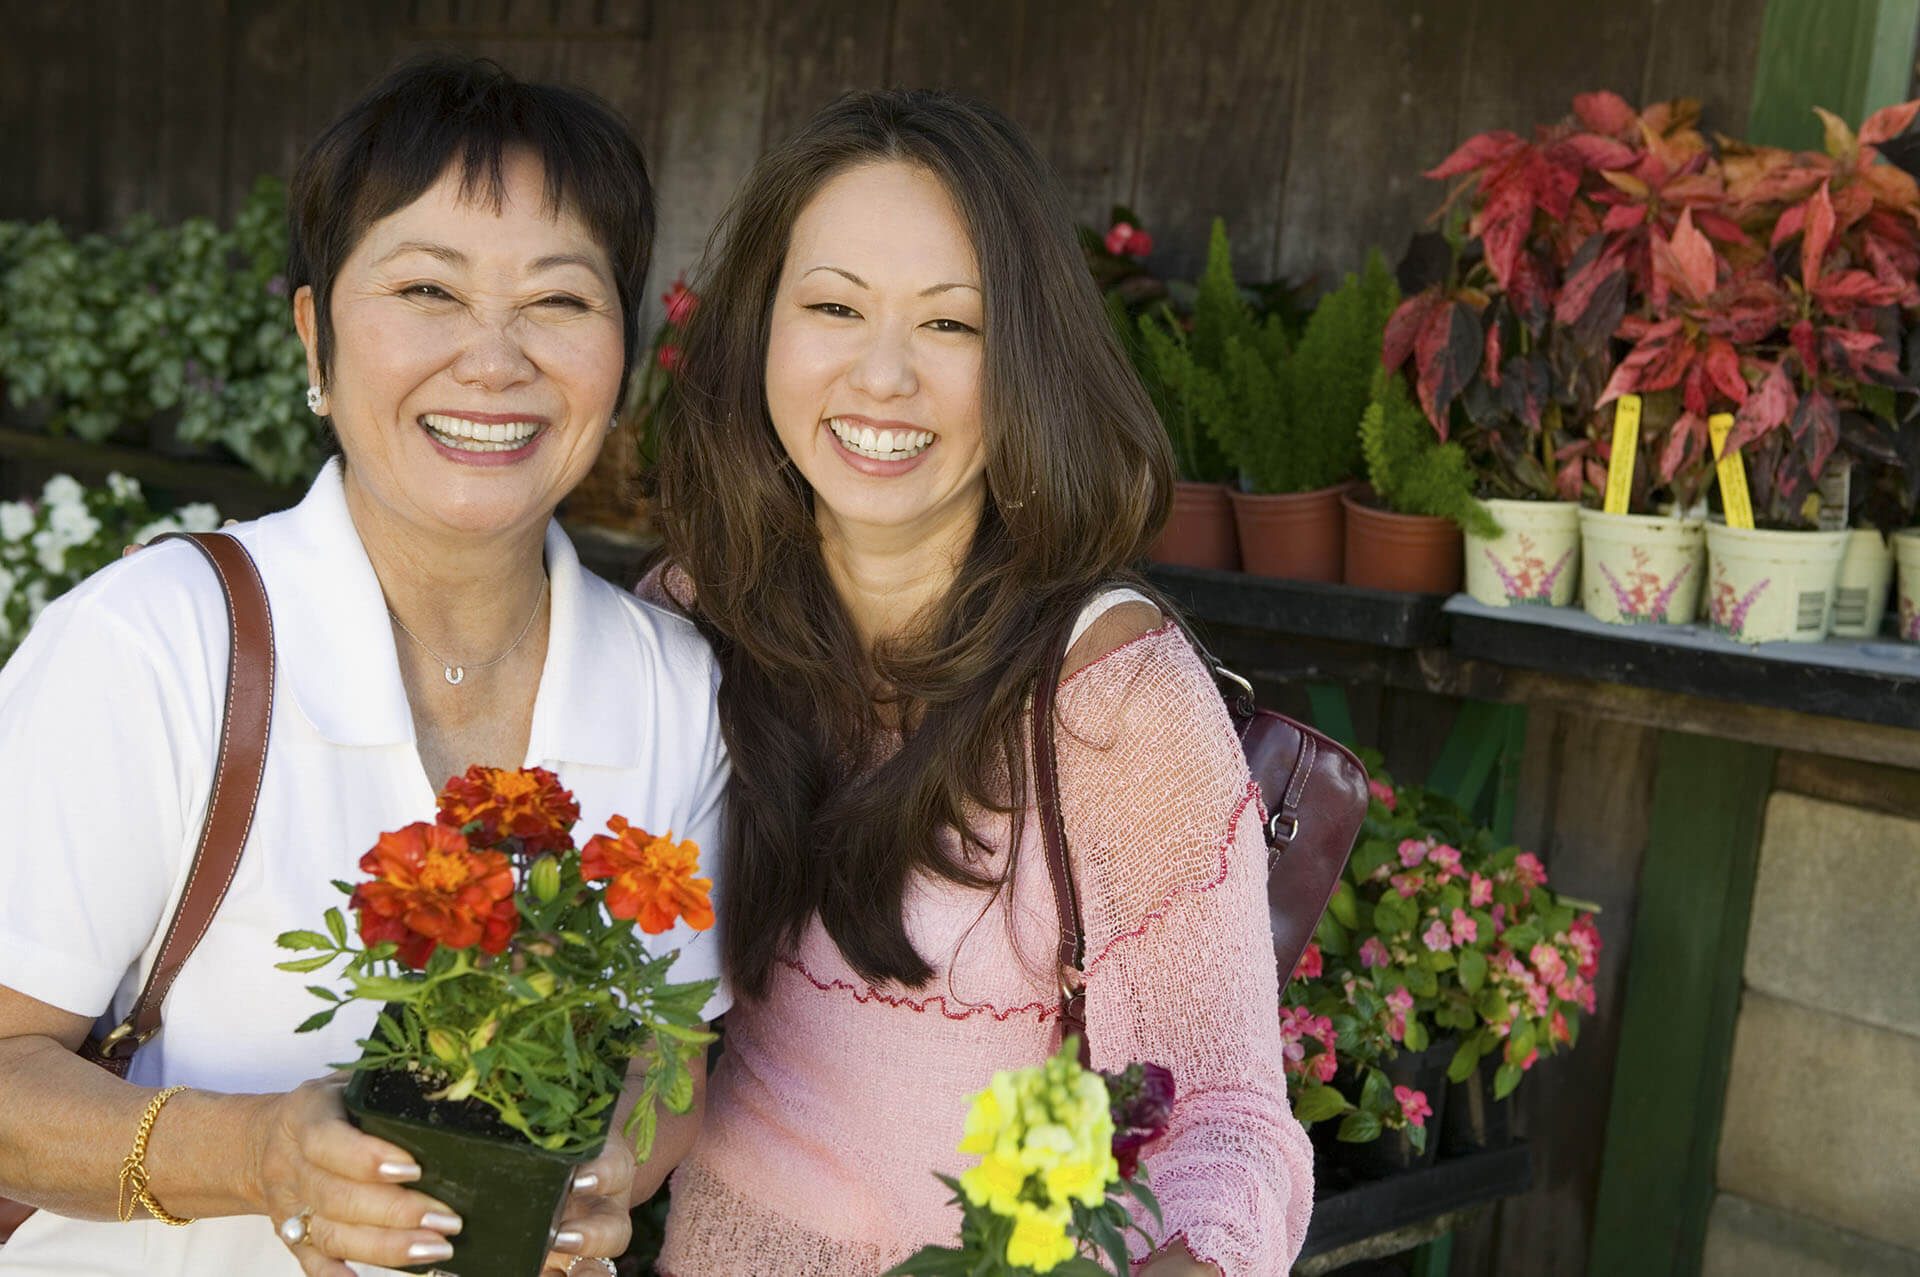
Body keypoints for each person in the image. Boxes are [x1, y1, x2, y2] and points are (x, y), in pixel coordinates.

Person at [0, 57, 728, 1277]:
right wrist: (258, 1156)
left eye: (557, 300)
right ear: (316, 338)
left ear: (626, 350)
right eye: (427, 288)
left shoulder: (671, 685)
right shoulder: (158, 643)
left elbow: (675, 1039)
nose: (494, 359)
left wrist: (600, 1177)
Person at [645, 89, 1311, 1276]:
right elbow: (633, 1036)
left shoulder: (1109, 691)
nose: (884, 374)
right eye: (835, 307)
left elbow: (1229, 1123)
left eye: (952, 326)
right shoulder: (690, 620)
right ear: (759, 331)